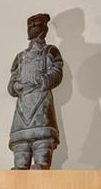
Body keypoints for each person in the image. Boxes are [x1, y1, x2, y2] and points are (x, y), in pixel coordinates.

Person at [7, 13, 63, 169]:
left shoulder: (51, 51)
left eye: (36, 25)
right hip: (22, 113)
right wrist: (17, 86)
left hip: (41, 108)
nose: (32, 28)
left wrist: (42, 79)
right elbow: (12, 83)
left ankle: (41, 164)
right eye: (30, 25)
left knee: (42, 146)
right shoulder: (20, 57)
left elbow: (57, 73)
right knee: (21, 149)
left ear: (44, 29)